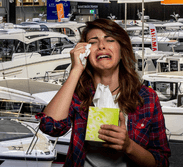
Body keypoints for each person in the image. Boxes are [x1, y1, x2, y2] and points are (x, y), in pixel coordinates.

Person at [36, 19, 171, 167]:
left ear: (121, 52)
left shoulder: (147, 98)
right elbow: (50, 127)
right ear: (86, 51)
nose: (101, 45)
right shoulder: (78, 94)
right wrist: (75, 70)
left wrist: (129, 146)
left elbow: (161, 162)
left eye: (110, 40)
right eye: (93, 42)